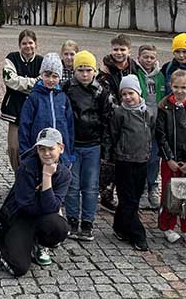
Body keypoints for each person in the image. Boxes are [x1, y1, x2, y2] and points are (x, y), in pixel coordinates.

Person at [0, 127, 72, 277]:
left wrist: (47, 177)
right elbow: (26, 206)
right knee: (19, 268)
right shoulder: (26, 168)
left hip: (41, 217)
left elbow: (53, 207)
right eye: (42, 149)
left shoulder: (64, 174)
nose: (46, 153)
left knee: (61, 227)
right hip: (20, 217)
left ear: (61, 148)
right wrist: (48, 207)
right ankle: (1, 239)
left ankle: (40, 243)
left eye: (50, 148)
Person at [62, 50, 111, 242]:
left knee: (90, 187)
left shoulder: (101, 91)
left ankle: (88, 222)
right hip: (74, 145)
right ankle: (72, 220)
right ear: (74, 71)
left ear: (94, 71)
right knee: (72, 185)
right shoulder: (67, 88)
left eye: (88, 70)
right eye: (80, 70)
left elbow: (107, 121)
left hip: (93, 145)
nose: (84, 74)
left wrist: (106, 150)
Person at [105, 76, 156, 252]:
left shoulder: (147, 113)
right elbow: (113, 134)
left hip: (142, 160)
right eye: (124, 94)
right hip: (124, 160)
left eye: (130, 93)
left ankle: (119, 225)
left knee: (134, 196)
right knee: (128, 199)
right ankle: (138, 234)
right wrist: (112, 155)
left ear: (138, 93)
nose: (127, 97)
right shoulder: (119, 113)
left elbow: (152, 131)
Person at [155, 69, 186, 245]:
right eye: (176, 87)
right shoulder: (164, 108)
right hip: (171, 160)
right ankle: (167, 226)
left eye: (183, 87)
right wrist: (169, 158)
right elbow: (160, 135)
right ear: (171, 86)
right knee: (169, 193)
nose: (179, 91)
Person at [97, 34, 140, 212]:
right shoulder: (106, 70)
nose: (119, 52)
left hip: (131, 119)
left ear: (129, 51)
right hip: (111, 119)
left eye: (122, 49)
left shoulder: (134, 68)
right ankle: (105, 194)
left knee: (125, 157)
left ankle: (124, 194)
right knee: (109, 158)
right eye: (116, 49)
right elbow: (105, 95)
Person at [18, 53, 75, 165]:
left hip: (60, 153)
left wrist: (69, 153)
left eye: (55, 76)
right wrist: (25, 152)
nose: (50, 80)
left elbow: (69, 127)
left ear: (59, 77)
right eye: (47, 75)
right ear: (42, 75)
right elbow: (25, 126)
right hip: (39, 152)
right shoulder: (34, 97)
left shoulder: (63, 98)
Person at [0, 30, 43, 172]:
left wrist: (21, 84)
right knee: (14, 147)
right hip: (15, 110)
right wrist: (32, 84)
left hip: (35, 110)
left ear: (36, 44)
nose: (27, 46)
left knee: (34, 145)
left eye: (30, 43)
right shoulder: (11, 58)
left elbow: (42, 82)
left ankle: (32, 178)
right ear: (19, 45)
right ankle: (18, 176)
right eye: (24, 43)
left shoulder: (41, 61)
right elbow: (10, 80)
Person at [134, 43, 164, 210]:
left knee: (154, 158)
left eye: (152, 57)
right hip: (140, 123)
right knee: (141, 157)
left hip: (156, 123)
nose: (148, 60)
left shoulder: (161, 76)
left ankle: (153, 186)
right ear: (139, 58)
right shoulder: (135, 73)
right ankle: (142, 189)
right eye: (145, 57)